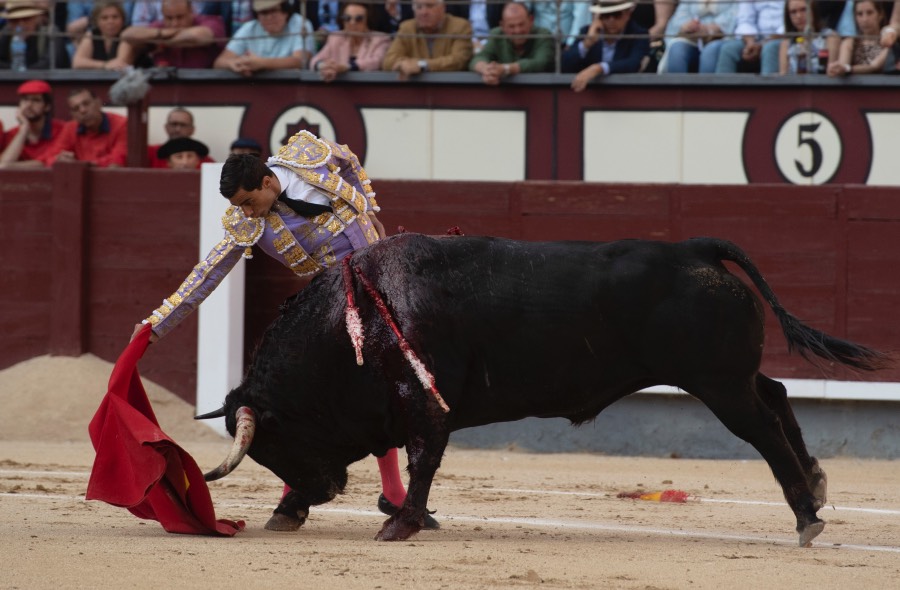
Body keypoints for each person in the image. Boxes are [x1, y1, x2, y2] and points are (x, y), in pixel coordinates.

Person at [130, 130, 438, 531]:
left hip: (382, 286)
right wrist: (157, 324)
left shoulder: (307, 156)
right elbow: (206, 274)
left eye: (249, 201)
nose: (248, 212)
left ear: (268, 182)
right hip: (330, 300)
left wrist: (369, 206)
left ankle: (394, 492)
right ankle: (293, 492)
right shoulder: (246, 223)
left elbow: (348, 159)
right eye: (240, 206)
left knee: (391, 383)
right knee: (303, 397)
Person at [562, 0, 650, 91]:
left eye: (617, 14)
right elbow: (565, 65)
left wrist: (599, 68)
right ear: (599, 17)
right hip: (590, 95)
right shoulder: (587, 32)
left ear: (627, 14)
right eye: (606, 15)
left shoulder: (639, 34)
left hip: (624, 94)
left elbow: (634, 63)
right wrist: (587, 43)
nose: (611, 20)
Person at [213, 0, 315, 75]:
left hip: (291, 88)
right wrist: (233, 64)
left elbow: (301, 61)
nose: (269, 17)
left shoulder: (300, 23)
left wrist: (261, 63)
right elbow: (219, 62)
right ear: (257, 15)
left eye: (274, 11)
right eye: (264, 12)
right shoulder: (250, 28)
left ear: (285, 12)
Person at [381, 0, 474, 79]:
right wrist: (402, 64)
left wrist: (422, 65)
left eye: (430, 6)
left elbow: (459, 60)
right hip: (414, 91)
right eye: (419, 7)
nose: (424, 12)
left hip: (450, 89)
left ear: (443, 8)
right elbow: (388, 60)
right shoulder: (407, 27)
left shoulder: (460, 26)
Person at [121, 0, 226, 68]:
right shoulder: (160, 27)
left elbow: (198, 36)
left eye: (180, 17)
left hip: (203, 88)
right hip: (167, 90)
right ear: (163, 15)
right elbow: (127, 35)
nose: (174, 23)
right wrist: (162, 33)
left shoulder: (212, 21)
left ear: (191, 12)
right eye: (169, 18)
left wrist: (160, 40)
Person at [469, 2, 555, 84]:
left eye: (521, 24)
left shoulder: (543, 35)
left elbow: (541, 63)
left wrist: (506, 69)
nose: (517, 31)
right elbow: (479, 58)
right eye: (511, 26)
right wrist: (487, 70)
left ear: (531, 20)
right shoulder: (496, 34)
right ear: (502, 26)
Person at [41, 88, 128, 168]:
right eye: (76, 109)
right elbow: (49, 159)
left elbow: (117, 161)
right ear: (73, 115)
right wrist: (59, 160)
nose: (82, 110)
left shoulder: (122, 124)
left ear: (98, 103)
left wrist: (80, 165)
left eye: (86, 104)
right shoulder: (70, 128)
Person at [309, 1, 390, 81]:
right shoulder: (336, 38)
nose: (352, 22)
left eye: (359, 19)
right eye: (347, 18)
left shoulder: (380, 39)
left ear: (367, 20)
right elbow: (314, 60)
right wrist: (324, 66)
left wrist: (347, 67)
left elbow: (376, 62)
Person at [656, 0, 737, 73]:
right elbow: (681, 16)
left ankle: (707, 89)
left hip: (725, 36)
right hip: (694, 38)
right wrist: (688, 26)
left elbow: (737, 12)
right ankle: (677, 89)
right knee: (677, 49)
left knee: (710, 51)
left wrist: (711, 29)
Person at [0, 79, 66, 169]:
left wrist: (12, 167)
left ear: (47, 106)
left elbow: (49, 163)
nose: (29, 105)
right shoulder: (12, 134)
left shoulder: (62, 130)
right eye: (25, 100)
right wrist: (23, 130)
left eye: (36, 100)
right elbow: (3, 166)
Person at [709, 0, 785, 74]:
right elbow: (745, 20)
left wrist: (764, 43)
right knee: (728, 49)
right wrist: (750, 43)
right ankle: (722, 86)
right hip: (755, 38)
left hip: (784, 36)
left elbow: (790, 20)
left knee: (769, 48)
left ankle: (768, 86)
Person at [0, 0, 71, 69]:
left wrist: (22, 72)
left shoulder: (50, 32)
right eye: (14, 20)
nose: (21, 24)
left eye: (26, 18)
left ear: (37, 18)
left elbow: (51, 63)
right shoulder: (6, 33)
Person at [828, 0, 890, 75]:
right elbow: (842, 65)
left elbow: (874, 66)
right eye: (860, 14)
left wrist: (848, 69)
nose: (865, 19)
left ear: (880, 15)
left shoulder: (887, 40)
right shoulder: (850, 41)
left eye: (870, 13)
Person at [778, 0, 839, 74]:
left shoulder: (830, 37)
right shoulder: (786, 43)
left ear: (813, 10)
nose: (799, 16)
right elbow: (783, 77)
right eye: (793, 12)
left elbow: (831, 73)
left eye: (803, 10)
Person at [72, 0, 136, 70]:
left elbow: (120, 63)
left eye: (115, 17)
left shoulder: (127, 34)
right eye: (104, 18)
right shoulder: (92, 34)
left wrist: (95, 64)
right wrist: (104, 65)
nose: (110, 21)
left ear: (122, 19)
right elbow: (77, 63)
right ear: (97, 21)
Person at [148, 107, 214, 168]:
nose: (177, 129)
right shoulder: (150, 153)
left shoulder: (206, 161)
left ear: (192, 129)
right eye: (174, 124)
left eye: (183, 125)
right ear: (166, 127)